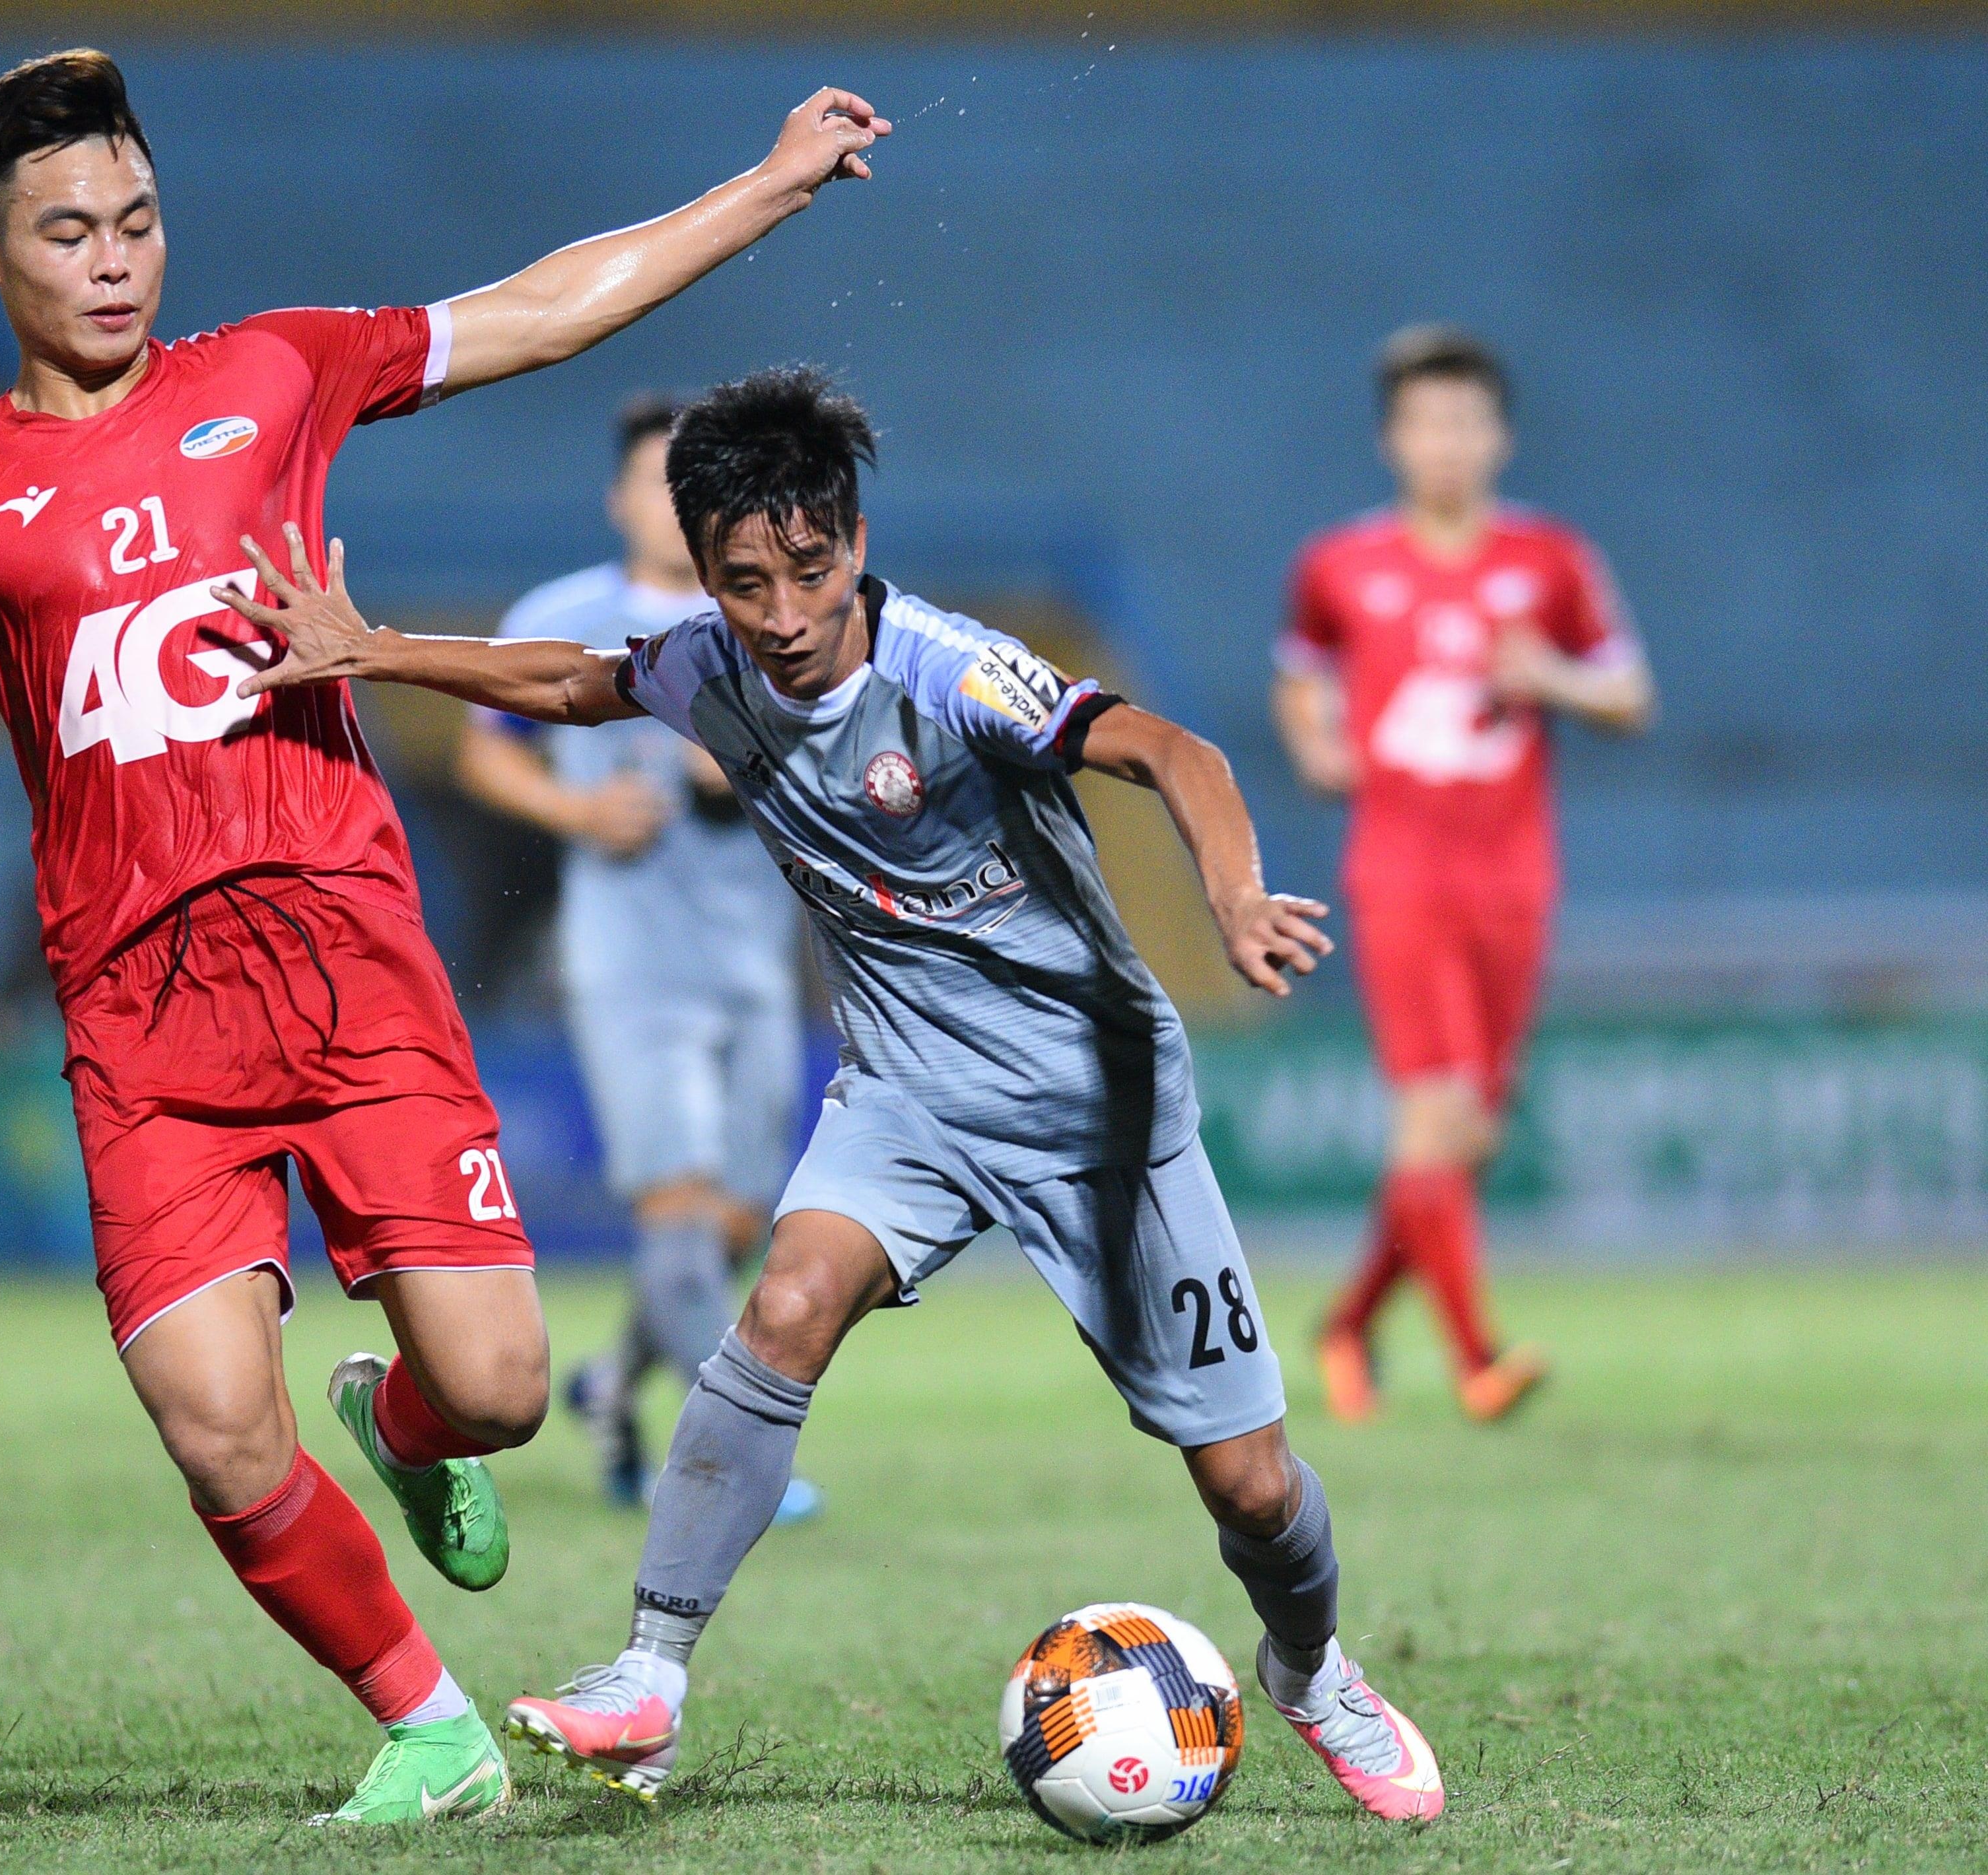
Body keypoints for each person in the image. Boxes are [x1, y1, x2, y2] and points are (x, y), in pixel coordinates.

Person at [0, 49, 893, 1826]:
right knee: (214, 1421)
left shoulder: (273, 372)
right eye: (68, 233)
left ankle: (406, 1432)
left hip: (344, 960)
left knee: (501, 1389)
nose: (115, 260)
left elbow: (532, 314)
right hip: (139, 1012)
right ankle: (429, 1734)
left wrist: (758, 188)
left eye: (137, 221)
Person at [213, 366, 1447, 1823]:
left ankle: (1312, 1672)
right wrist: (370, 651)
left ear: (855, 540)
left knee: (1248, 1485)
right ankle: (649, 1673)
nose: (785, 614)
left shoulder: (953, 672)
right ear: (707, 573)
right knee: (787, 1300)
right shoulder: (707, 665)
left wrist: (1234, 897)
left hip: (1097, 1109)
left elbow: (1173, 750)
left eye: (810, 572)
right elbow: (568, 681)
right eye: (747, 583)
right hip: (909, 1100)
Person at [1272, 327, 1655, 1425]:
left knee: (1470, 1133)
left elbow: (1629, 695)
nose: (1445, 443)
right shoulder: (1341, 565)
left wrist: (1551, 677)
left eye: (1464, 423)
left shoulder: (1551, 561)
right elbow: (1300, 676)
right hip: (1397, 868)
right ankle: (1477, 1358)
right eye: (1424, 423)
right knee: (1432, 1115)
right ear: (1393, 441)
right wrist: (1314, 745)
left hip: (1513, 873)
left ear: (1500, 437)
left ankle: (1348, 1325)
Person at [454, 394, 817, 1518]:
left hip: (756, 958)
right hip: (628, 960)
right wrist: (575, 817)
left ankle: (611, 1385)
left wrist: (751, 763)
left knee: (733, 1221)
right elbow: (485, 754)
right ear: (618, 500)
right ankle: (730, 1468)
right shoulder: (563, 615)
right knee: (674, 1206)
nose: (674, 508)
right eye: (655, 485)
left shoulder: (771, 616)